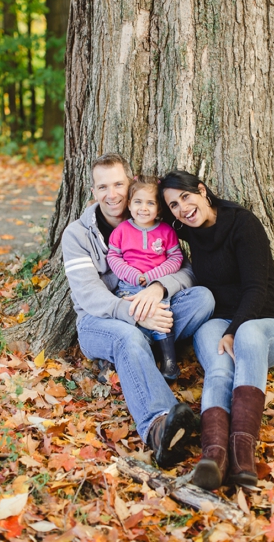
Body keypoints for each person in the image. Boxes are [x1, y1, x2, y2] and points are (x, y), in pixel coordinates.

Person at [62, 154, 216, 468]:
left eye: (118, 184)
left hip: (153, 306)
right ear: (94, 191)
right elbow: (89, 295)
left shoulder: (159, 226)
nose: (112, 193)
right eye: (103, 186)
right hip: (100, 322)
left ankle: (146, 350)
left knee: (202, 298)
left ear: (131, 186)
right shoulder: (77, 235)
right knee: (127, 337)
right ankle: (160, 425)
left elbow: (186, 273)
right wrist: (135, 313)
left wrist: (157, 289)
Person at [159, 170, 274, 491]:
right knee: (219, 368)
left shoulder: (242, 223)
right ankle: (214, 456)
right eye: (174, 205)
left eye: (186, 197)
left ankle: (242, 458)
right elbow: (144, 225)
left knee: (247, 333)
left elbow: (255, 289)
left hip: (266, 324)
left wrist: (234, 330)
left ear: (203, 191)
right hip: (219, 323)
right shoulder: (186, 231)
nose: (183, 208)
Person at [107, 175, 184, 381]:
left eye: (150, 203)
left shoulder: (166, 232)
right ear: (129, 205)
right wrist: (132, 275)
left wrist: (152, 276)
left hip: (156, 290)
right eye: (138, 202)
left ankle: (169, 362)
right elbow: (113, 257)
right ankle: (116, 362)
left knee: (160, 315)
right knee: (128, 318)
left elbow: (176, 258)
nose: (144, 208)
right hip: (128, 288)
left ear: (159, 209)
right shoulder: (121, 231)